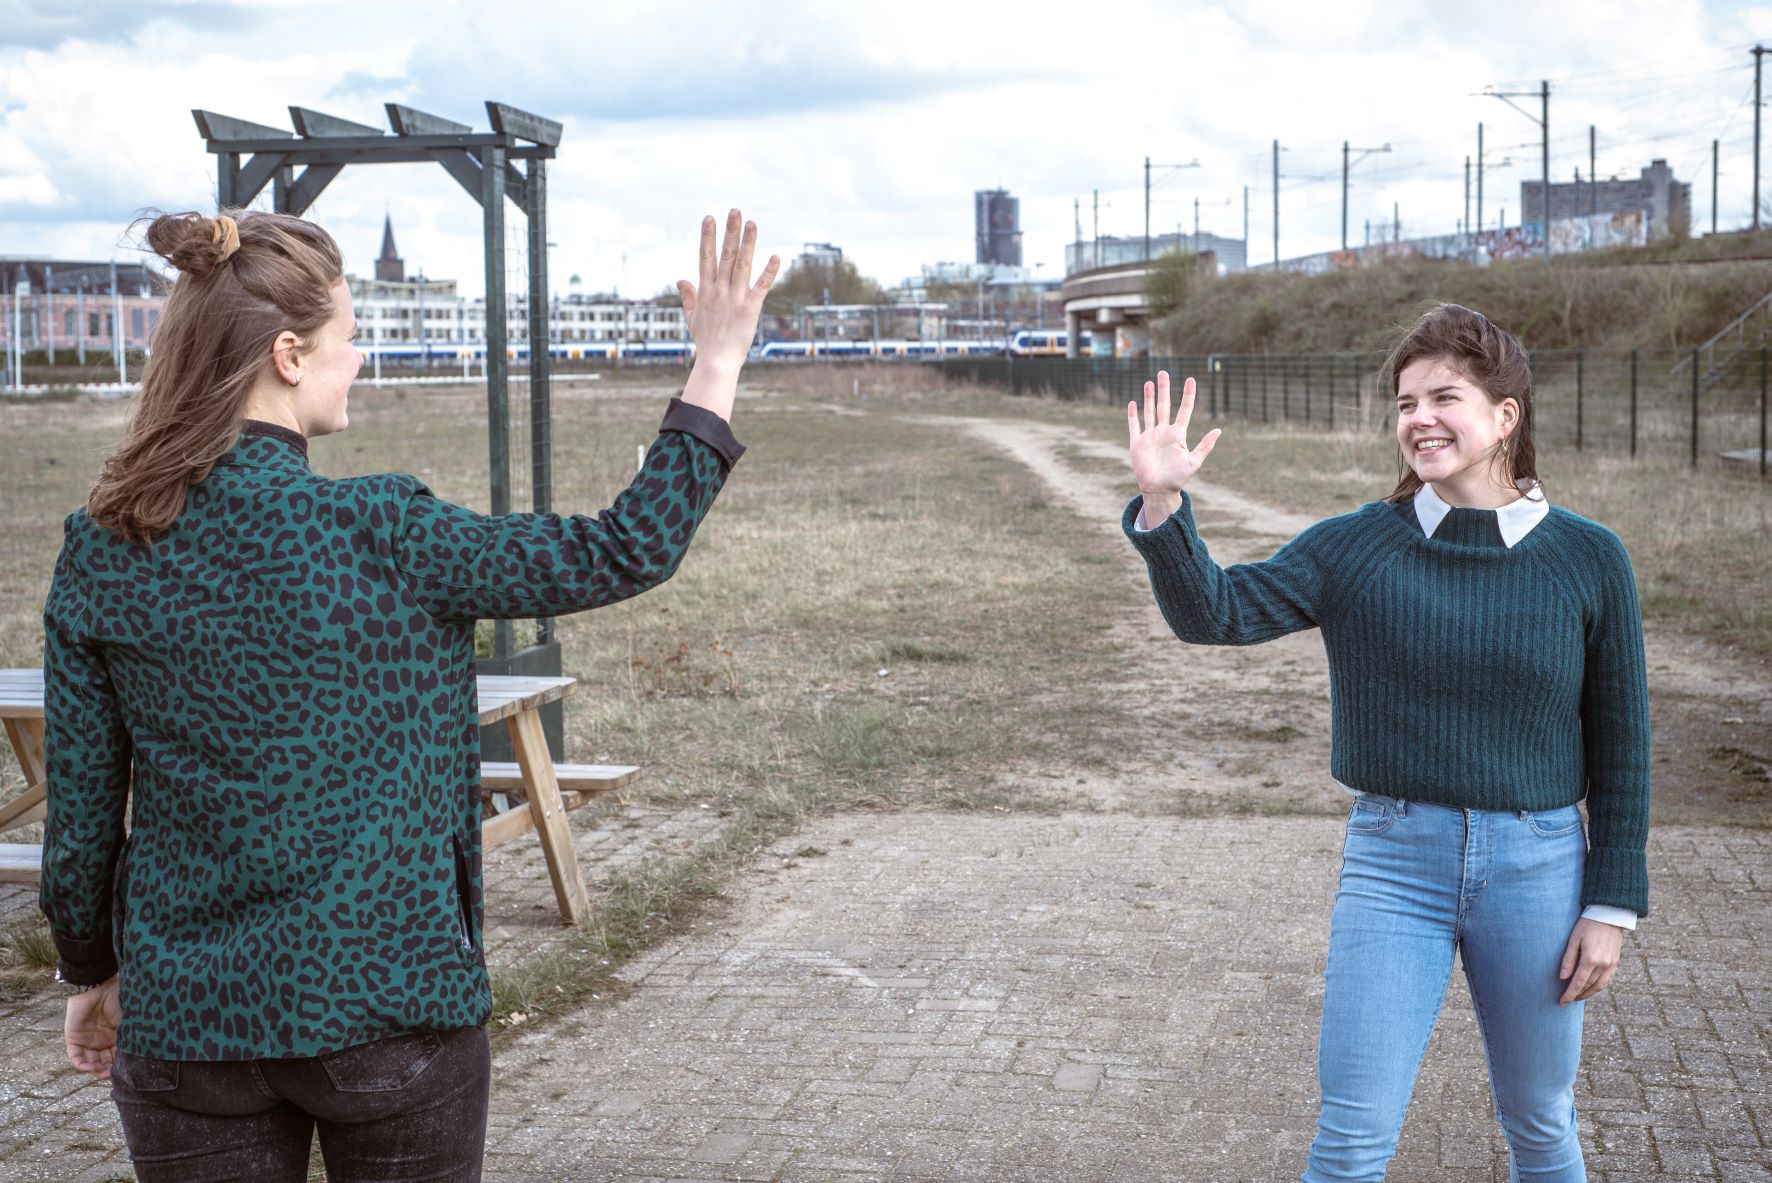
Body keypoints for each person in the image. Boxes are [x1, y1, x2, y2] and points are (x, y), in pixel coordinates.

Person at [39, 206, 778, 1181]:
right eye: (351, 337)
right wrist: (716, 361)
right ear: (291, 354)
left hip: (187, 1022)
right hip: (388, 1007)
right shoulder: (384, 530)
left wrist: (89, 969)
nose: (361, 360)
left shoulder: (104, 546)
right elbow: (624, 545)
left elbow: (83, 815)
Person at [1123, 304, 1648, 1183]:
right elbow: (1215, 612)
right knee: (1353, 1136)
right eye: (1405, 402)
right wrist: (1163, 499)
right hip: (1394, 862)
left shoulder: (1590, 559)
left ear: (1506, 415)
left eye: (1445, 396)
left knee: (1541, 1124)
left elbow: (1624, 744)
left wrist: (1612, 902)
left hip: (1541, 867)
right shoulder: (1359, 546)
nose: (1419, 419)